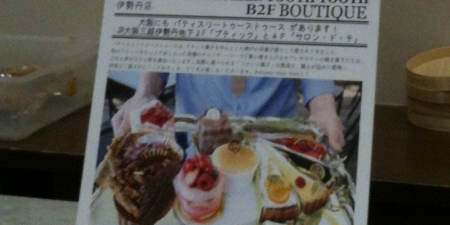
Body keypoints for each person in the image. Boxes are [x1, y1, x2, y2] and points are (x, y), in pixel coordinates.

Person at [111, 72, 345, 153]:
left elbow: (310, 42)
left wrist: (323, 107)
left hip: (272, 141)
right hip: (194, 140)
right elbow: (165, 37)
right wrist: (144, 91)